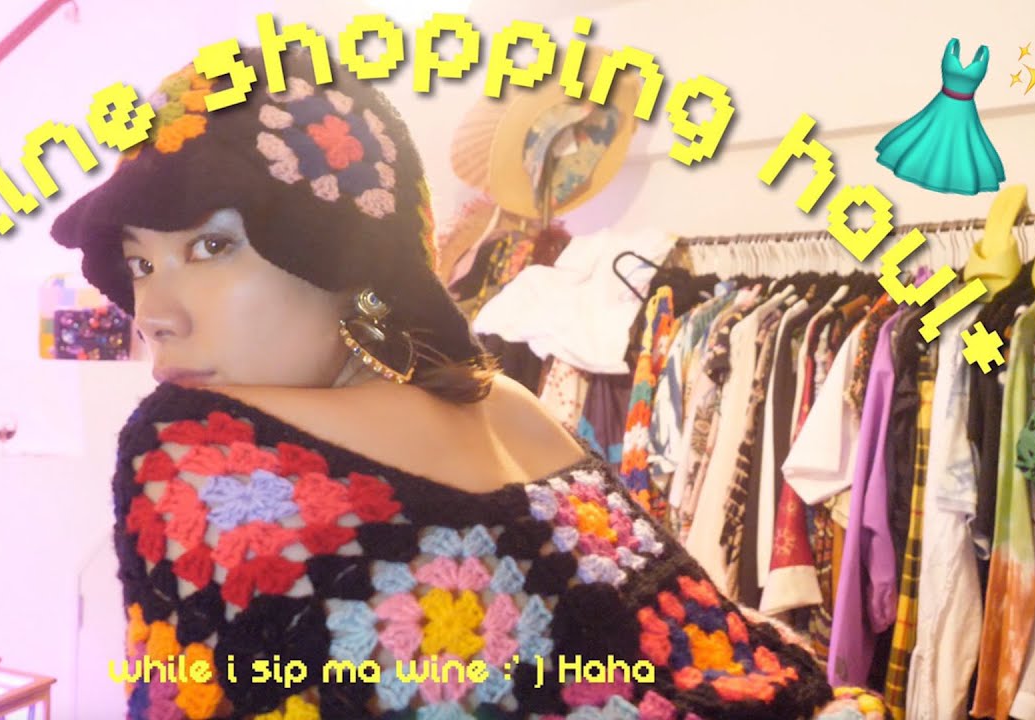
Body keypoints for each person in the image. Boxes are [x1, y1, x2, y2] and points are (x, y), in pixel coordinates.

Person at [52, 45, 883, 720]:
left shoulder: (195, 445)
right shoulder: (504, 403)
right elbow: (709, 651)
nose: (152, 312)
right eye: (139, 262)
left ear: (340, 252)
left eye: (210, 246)